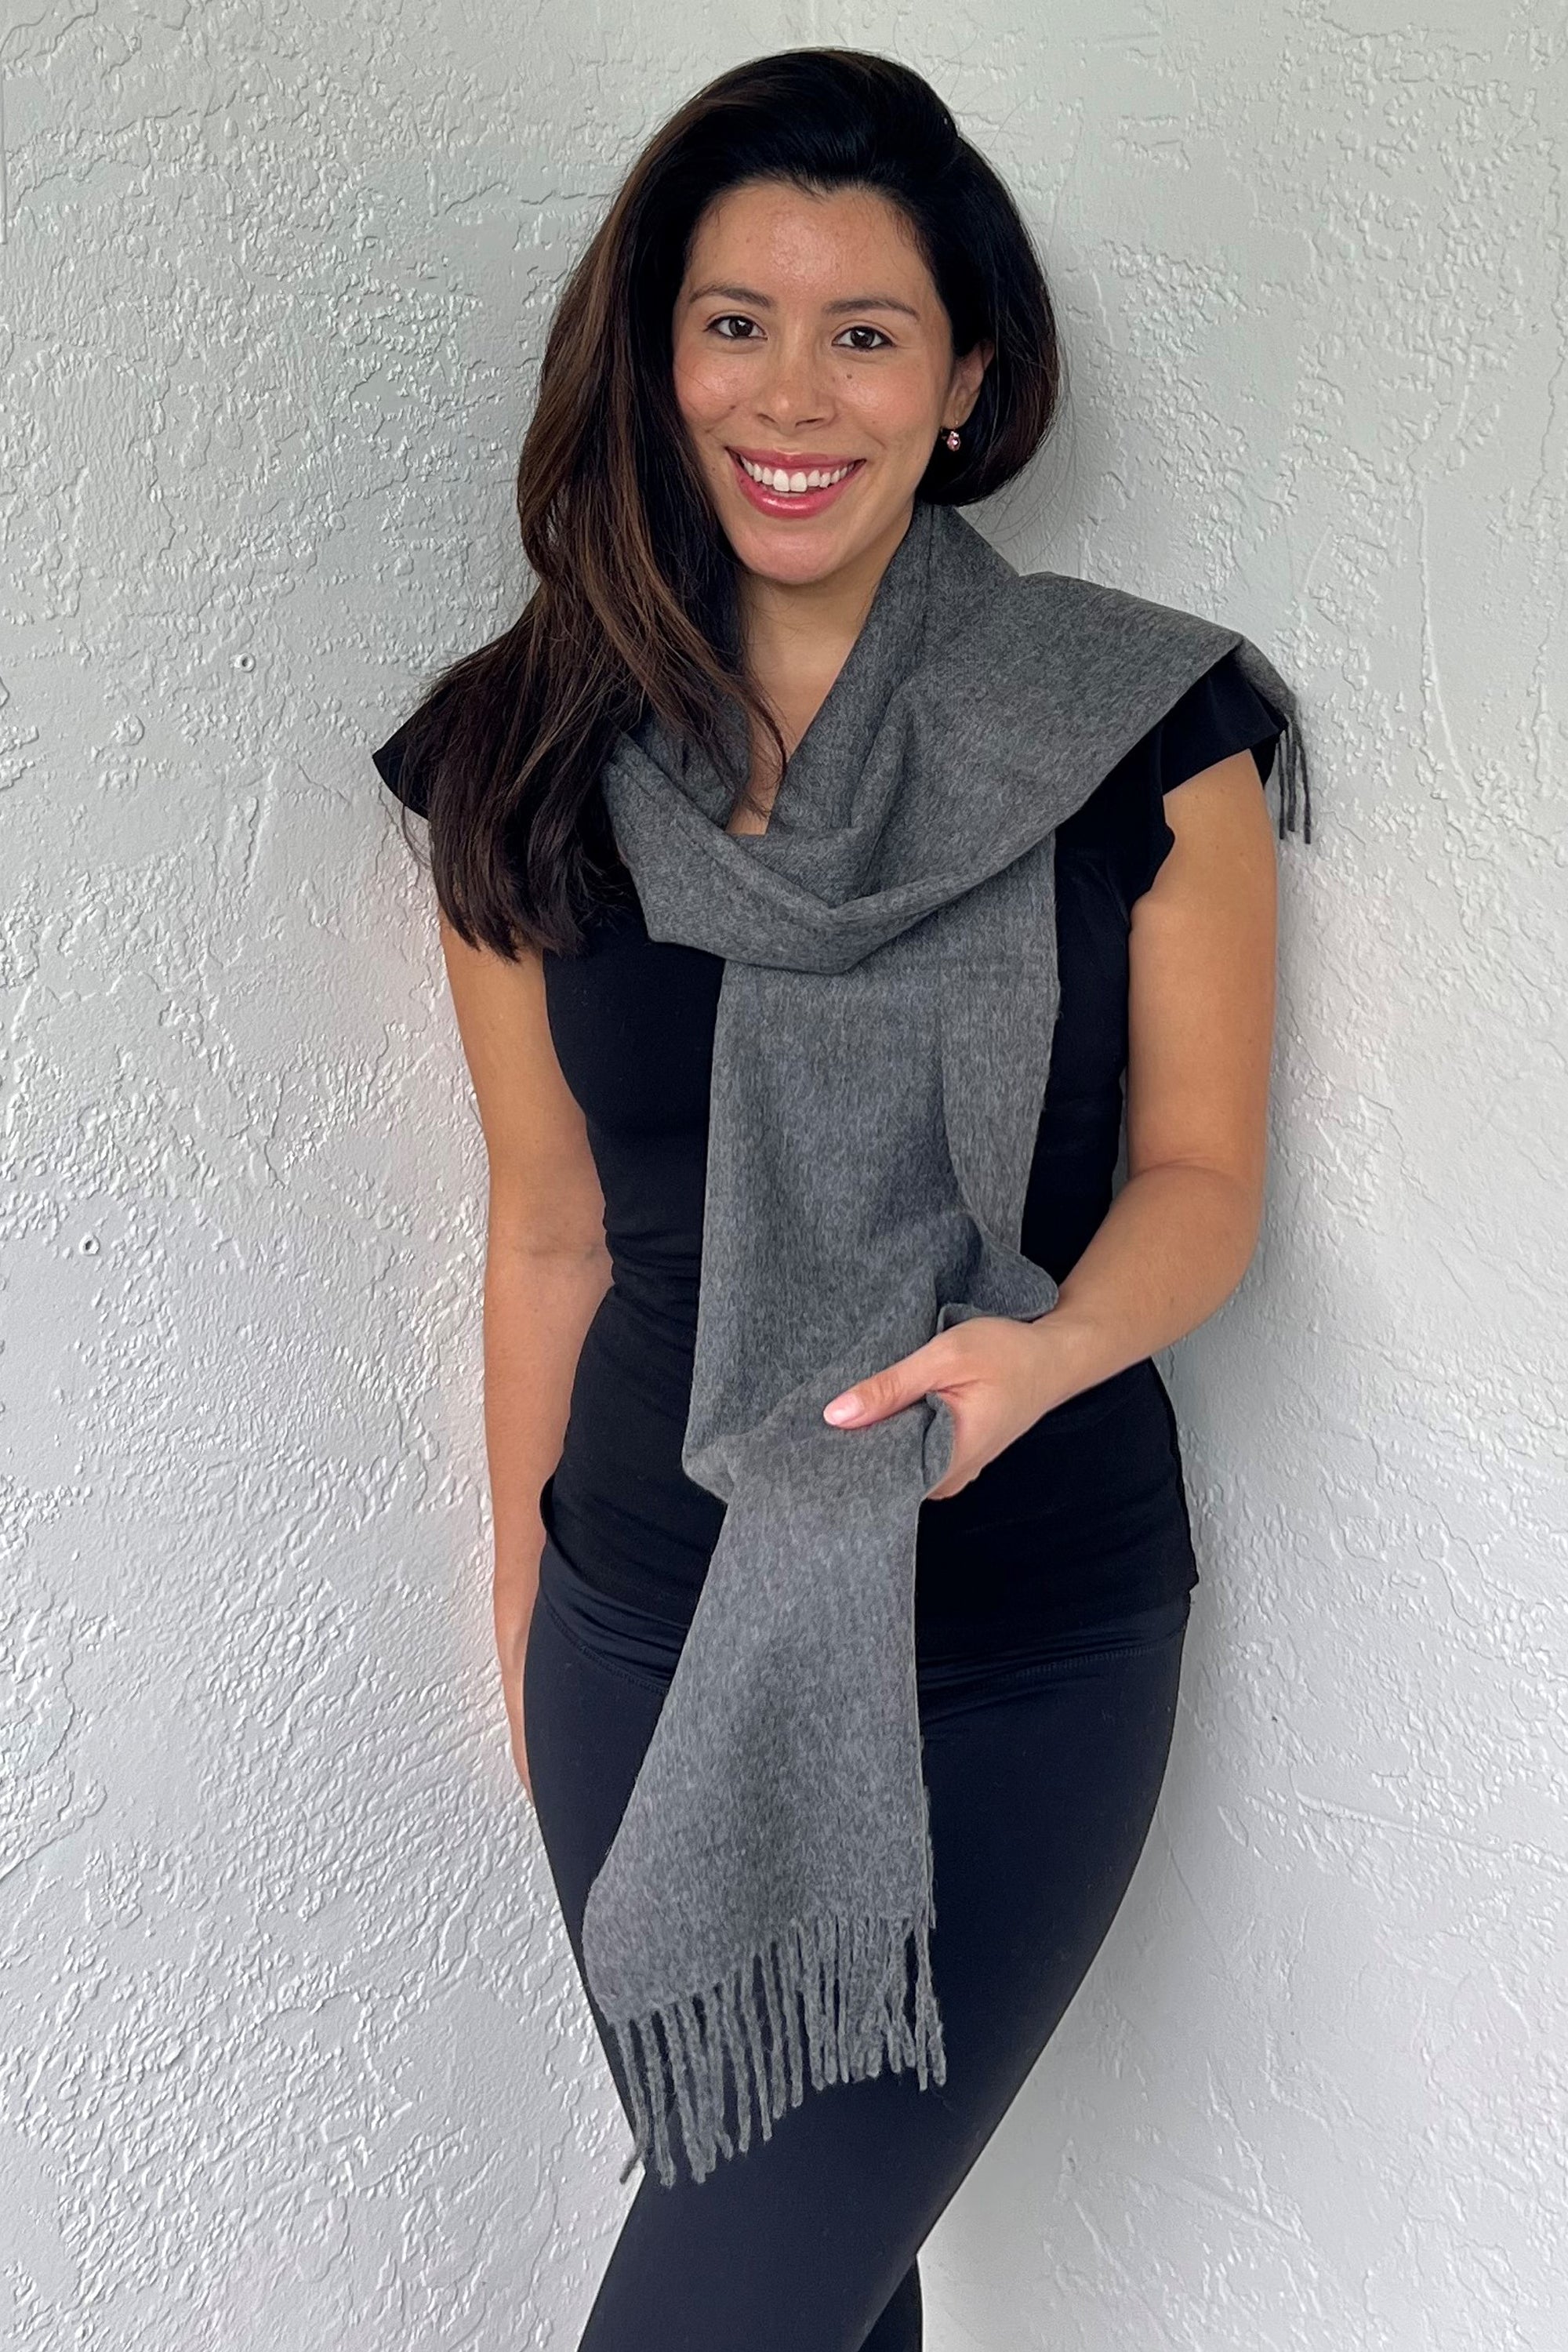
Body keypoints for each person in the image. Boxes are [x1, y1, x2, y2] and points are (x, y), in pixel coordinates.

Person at [372, 47, 1298, 2352]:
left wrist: (1057, 1347)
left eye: (866, 332)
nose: (793, 395)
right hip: (644, 1642)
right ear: (654, 356)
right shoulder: (522, 757)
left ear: (966, 382)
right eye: (735, 323)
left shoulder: (1140, 733)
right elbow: (551, 1231)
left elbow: (1201, 1181)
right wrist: (530, 1610)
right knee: (822, 2303)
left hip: (1017, 1647)